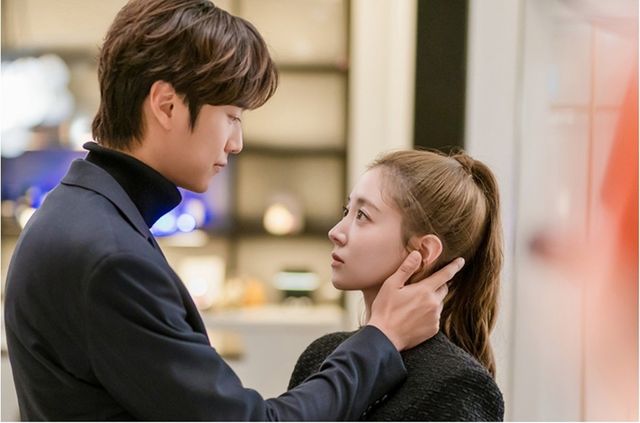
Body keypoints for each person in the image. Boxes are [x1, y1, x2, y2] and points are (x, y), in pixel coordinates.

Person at [3, 1, 465, 421]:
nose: (236, 142)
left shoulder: (79, 215)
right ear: (166, 105)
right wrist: (381, 339)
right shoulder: (109, 258)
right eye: (232, 117)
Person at [289, 149, 505, 421]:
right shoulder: (320, 355)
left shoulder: (458, 384)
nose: (336, 232)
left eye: (362, 215)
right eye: (347, 211)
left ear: (423, 252)